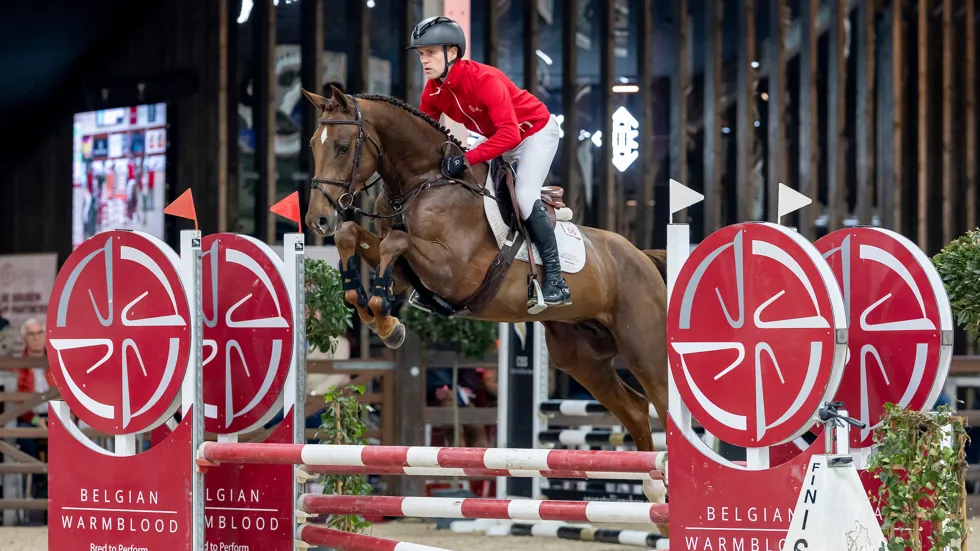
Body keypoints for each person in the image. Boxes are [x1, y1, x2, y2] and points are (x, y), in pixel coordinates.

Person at [407, 16, 571, 308]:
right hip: (493, 135)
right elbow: (425, 134)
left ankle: (556, 278)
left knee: (523, 194)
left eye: (430, 53)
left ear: (452, 52)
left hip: (533, 132)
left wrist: (466, 158)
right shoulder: (433, 90)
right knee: (458, 183)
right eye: (421, 54)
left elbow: (509, 135)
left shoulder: (485, 81)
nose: (424, 60)